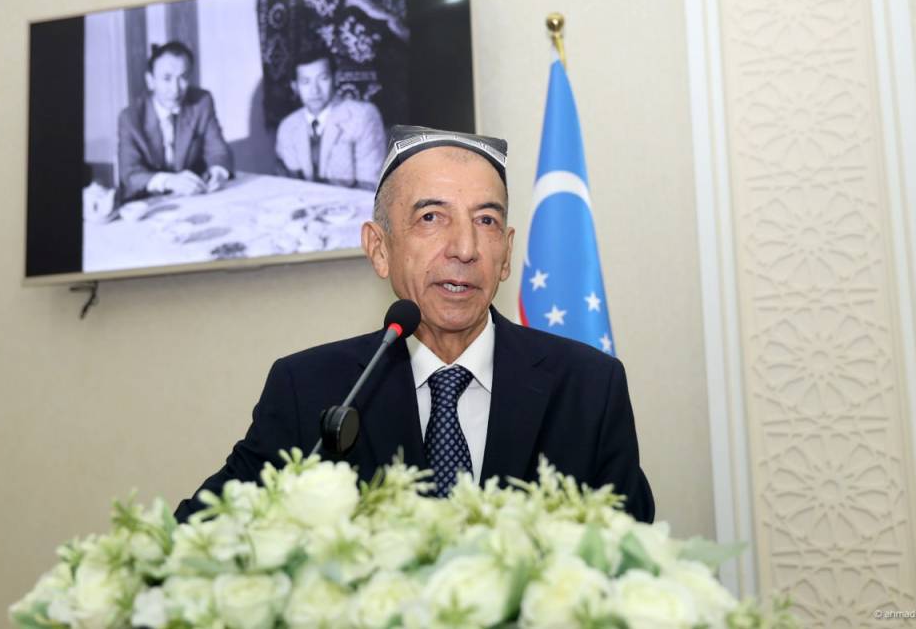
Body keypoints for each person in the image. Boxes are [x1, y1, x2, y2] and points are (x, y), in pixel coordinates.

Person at [175, 125, 654, 523]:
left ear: (507, 254)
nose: (465, 248)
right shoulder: (310, 390)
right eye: (431, 217)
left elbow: (632, 560)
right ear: (379, 248)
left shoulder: (589, 388)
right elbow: (197, 535)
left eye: (486, 221)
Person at [117, 41, 234, 202]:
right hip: (148, 202)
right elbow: (130, 174)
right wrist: (168, 181)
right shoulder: (130, 118)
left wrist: (218, 172)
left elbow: (218, 151)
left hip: (192, 199)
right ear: (150, 81)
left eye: (183, 78)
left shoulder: (201, 102)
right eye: (167, 78)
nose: (176, 89)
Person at [274, 51, 386, 190]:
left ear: (335, 78)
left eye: (323, 79)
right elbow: (288, 185)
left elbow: (371, 187)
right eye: (305, 82)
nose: (315, 90)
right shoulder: (288, 126)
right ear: (295, 86)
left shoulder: (362, 117)